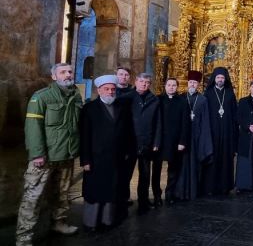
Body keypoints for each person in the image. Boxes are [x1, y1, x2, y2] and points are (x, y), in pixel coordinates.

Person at [16, 63, 83, 246]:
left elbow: (77, 127)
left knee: (62, 194)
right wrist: (37, 154)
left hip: (66, 155)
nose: (68, 75)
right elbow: (33, 128)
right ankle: (24, 237)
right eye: (63, 72)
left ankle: (58, 223)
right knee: (33, 197)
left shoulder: (76, 96)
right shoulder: (42, 97)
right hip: (44, 157)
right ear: (54, 77)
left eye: (70, 71)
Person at [79, 75, 134, 231]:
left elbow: (128, 132)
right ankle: (91, 223)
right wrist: (86, 160)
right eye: (107, 89)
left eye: (112, 89)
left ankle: (107, 220)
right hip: (95, 159)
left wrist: (128, 152)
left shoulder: (121, 108)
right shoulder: (89, 109)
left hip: (115, 158)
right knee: (95, 191)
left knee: (111, 189)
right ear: (99, 90)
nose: (110, 92)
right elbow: (84, 136)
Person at [124, 73, 162, 214]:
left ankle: (143, 203)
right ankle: (122, 202)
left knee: (145, 175)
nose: (144, 84)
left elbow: (158, 123)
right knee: (126, 174)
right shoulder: (127, 98)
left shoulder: (154, 100)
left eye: (147, 82)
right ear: (136, 81)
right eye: (141, 81)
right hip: (130, 142)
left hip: (147, 142)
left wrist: (156, 142)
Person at [175, 70, 213, 201]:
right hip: (182, 137)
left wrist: (204, 139)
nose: (192, 85)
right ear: (187, 83)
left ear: (198, 85)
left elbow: (206, 121)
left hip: (197, 137)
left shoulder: (203, 100)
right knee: (181, 165)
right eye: (190, 82)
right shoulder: (180, 98)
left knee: (195, 165)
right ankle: (179, 192)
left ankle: (193, 191)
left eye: (195, 83)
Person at [200, 67, 238, 195]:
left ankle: (225, 187)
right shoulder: (208, 93)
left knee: (226, 159)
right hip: (213, 132)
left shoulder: (230, 94)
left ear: (225, 79)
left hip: (227, 132)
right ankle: (210, 187)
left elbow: (234, 115)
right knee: (213, 159)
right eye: (218, 78)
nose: (220, 80)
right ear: (214, 79)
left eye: (222, 78)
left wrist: (234, 133)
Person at [158, 78, 188, 205]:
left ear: (177, 87)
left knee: (173, 168)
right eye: (169, 85)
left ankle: (169, 193)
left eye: (174, 85)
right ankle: (156, 195)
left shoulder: (182, 101)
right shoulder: (158, 100)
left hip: (175, 140)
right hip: (160, 140)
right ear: (165, 86)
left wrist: (182, 141)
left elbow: (185, 124)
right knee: (156, 170)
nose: (171, 87)